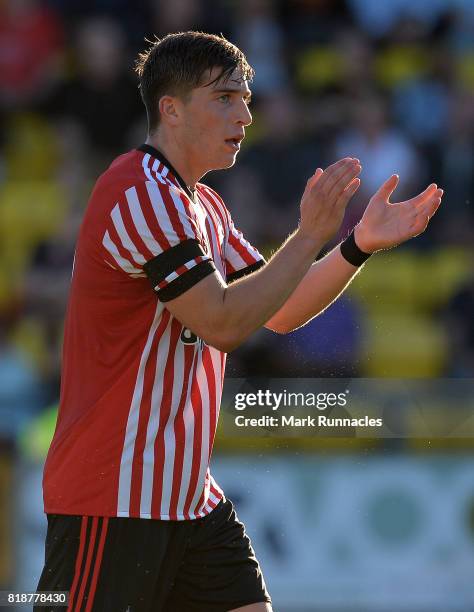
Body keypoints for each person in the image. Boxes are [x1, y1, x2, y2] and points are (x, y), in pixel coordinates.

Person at [35, 31, 443, 612]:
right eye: (225, 98)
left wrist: (357, 244)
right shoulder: (137, 190)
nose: (246, 113)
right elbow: (222, 324)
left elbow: (280, 311)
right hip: (114, 496)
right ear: (170, 109)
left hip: (189, 500)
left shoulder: (204, 204)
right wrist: (307, 236)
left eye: (247, 98)